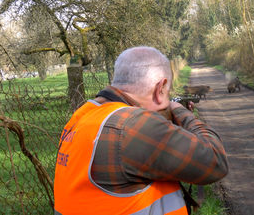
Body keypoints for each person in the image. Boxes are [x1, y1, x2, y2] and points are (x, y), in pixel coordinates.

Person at [54, 46, 228, 215]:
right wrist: (180, 112)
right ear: (160, 88)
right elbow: (215, 161)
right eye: (167, 94)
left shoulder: (84, 115)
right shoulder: (132, 126)